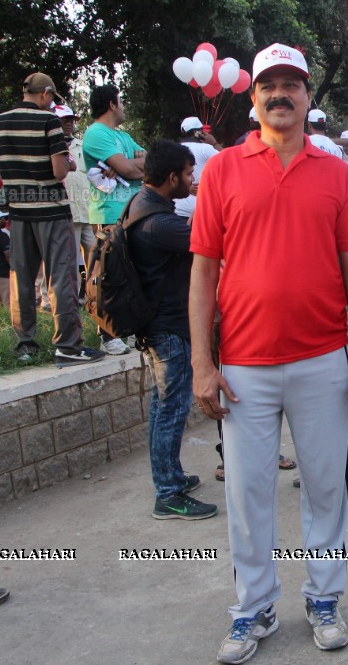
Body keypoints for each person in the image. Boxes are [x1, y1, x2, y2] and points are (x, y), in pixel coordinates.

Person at [190, 43, 348, 664]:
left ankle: (324, 599)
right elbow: (202, 274)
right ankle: (253, 609)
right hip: (243, 365)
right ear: (253, 97)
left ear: (307, 97)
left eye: (291, 84)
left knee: (325, 488)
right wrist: (201, 361)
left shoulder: (333, 174)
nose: (280, 94)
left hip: (322, 358)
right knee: (248, 496)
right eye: (268, 84)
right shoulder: (221, 171)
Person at [125, 139, 219, 520]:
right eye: (187, 173)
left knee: (161, 408)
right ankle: (168, 493)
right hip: (167, 329)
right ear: (170, 177)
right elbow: (210, 242)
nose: (192, 179)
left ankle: (171, 477)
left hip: (156, 326)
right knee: (171, 411)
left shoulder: (141, 205)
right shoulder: (159, 224)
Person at [0, 72, 105, 367]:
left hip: (18, 210)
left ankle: (25, 344)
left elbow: (3, 171)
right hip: (51, 209)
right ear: (45, 94)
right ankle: (67, 345)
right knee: (61, 278)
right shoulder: (48, 121)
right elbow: (58, 170)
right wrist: (68, 161)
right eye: (52, 99)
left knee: (22, 279)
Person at [82, 83, 144, 356]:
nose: (124, 106)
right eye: (121, 100)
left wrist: (131, 166)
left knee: (130, 272)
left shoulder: (124, 137)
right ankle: (106, 334)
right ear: (111, 104)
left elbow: (149, 161)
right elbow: (130, 169)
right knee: (107, 273)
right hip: (108, 213)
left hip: (131, 211)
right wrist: (131, 166)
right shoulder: (96, 133)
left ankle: (123, 326)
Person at [53, 104, 93, 300]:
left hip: (87, 210)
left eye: (70, 121)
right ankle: (72, 298)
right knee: (69, 259)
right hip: (65, 211)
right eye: (63, 121)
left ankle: (93, 293)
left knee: (93, 254)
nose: (68, 124)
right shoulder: (51, 147)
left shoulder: (82, 145)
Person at [175, 117, 222, 220]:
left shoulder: (173, 149)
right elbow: (229, 161)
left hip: (177, 209)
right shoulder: (206, 149)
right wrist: (214, 143)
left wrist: (186, 188)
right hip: (199, 211)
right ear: (197, 132)